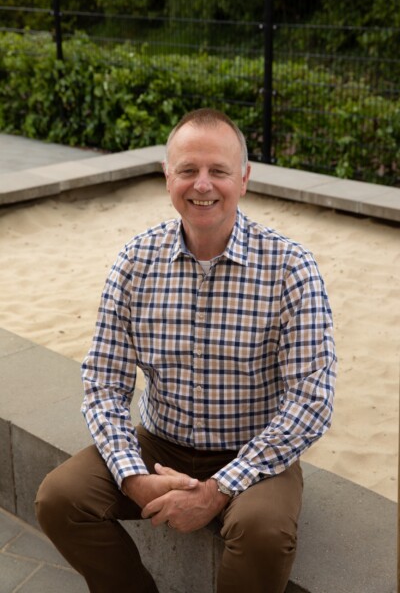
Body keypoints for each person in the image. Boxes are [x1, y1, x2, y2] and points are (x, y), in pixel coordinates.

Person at [35, 108, 336, 593]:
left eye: (219, 170)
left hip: (254, 450)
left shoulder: (291, 268)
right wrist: (133, 478)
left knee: (263, 533)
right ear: (167, 176)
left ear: (244, 178)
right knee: (59, 498)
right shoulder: (135, 261)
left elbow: (311, 399)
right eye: (188, 170)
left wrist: (218, 489)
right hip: (159, 444)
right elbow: (104, 383)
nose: (203, 185)